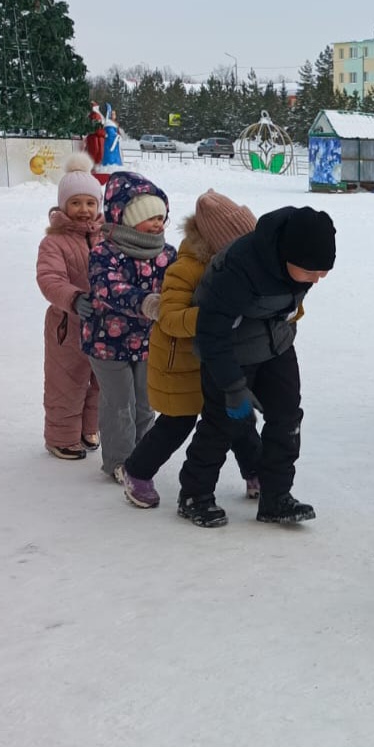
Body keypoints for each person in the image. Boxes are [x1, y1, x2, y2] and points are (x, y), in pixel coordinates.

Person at [184, 205, 335, 527]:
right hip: (227, 350)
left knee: (286, 417)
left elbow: (288, 302)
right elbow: (210, 332)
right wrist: (233, 386)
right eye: (311, 272)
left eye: (323, 273)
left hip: (275, 345)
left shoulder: (297, 261)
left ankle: (276, 497)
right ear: (287, 255)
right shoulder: (239, 266)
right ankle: (194, 494)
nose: (316, 281)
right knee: (221, 422)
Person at [117, 190, 261, 511]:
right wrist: (215, 317)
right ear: (221, 243)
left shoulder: (237, 269)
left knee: (238, 417)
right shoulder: (187, 268)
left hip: (218, 362)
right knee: (176, 424)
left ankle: (256, 472)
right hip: (180, 364)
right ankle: (136, 471)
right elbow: (169, 318)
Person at [81, 172, 177, 479]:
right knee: (119, 403)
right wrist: (146, 302)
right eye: (149, 217)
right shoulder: (105, 252)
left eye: (161, 217)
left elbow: (180, 285)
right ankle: (119, 462)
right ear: (125, 218)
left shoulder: (167, 254)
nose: (158, 224)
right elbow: (108, 288)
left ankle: (140, 457)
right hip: (106, 343)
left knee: (145, 403)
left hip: (149, 343)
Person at [36, 152, 105, 460]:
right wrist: (75, 298)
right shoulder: (54, 242)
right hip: (68, 325)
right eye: (76, 203)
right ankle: (61, 436)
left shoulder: (108, 237)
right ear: (63, 205)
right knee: (67, 380)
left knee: (99, 381)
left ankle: (89, 427)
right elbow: (49, 278)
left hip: (104, 324)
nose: (84, 210)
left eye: (90, 203)